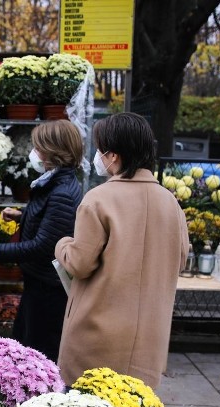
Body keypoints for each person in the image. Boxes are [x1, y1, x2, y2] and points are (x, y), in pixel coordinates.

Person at [54, 112, 189, 389]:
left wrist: (62, 245)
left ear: (113, 156)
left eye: (101, 150)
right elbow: (181, 259)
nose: (99, 156)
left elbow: (79, 263)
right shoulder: (170, 203)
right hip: (149, 339)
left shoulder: (98, 199)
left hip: (96, 337)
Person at [0, 120, 84, 362]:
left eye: (39, 147)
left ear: (54, 151)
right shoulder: (57, 182)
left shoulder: (61, 192)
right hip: (40, 283)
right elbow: (53, 223)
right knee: (27, 343)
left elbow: (44, 246)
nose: (35, 153)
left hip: (48, 289)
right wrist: (23, 215)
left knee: (39, 353)